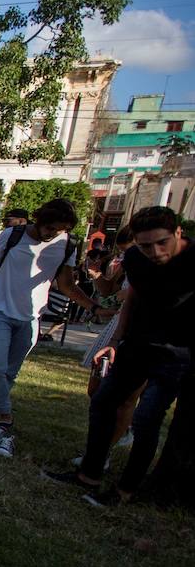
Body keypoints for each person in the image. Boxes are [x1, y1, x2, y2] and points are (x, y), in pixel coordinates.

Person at [48, 207, 192, 505]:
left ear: (178, 233)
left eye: (162, 242)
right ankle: (89, 474)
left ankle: (126, 490)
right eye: (145, 245)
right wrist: (114, 340)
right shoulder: (136, 259)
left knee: (146, 417)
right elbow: (134, 297)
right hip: (137, 345)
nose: (154, 251)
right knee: (103, 402)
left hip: (178, 353)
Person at [0, 199, 100, 457]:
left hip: (31, 316)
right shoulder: (12, 235)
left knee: (9, 373)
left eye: (60, 229)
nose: (53, 234)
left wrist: (93, 307)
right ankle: (5, 416)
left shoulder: (66, 244)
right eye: (51, 228)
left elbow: (67, 285)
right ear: (40, 219)